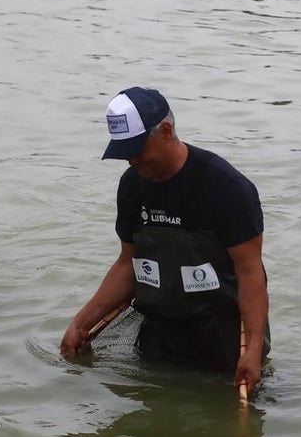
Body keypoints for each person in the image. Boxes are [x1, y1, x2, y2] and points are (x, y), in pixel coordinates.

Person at [60, 87, 270, 392]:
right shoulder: (132, 185)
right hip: (159, 334)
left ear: (167, 131)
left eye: (136, 148)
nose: (131, 160)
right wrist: (81, 322)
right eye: (123, 152)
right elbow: (127, 265)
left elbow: (250, 274)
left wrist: (251, 351)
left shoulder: (226, 187)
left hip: (222, 335)